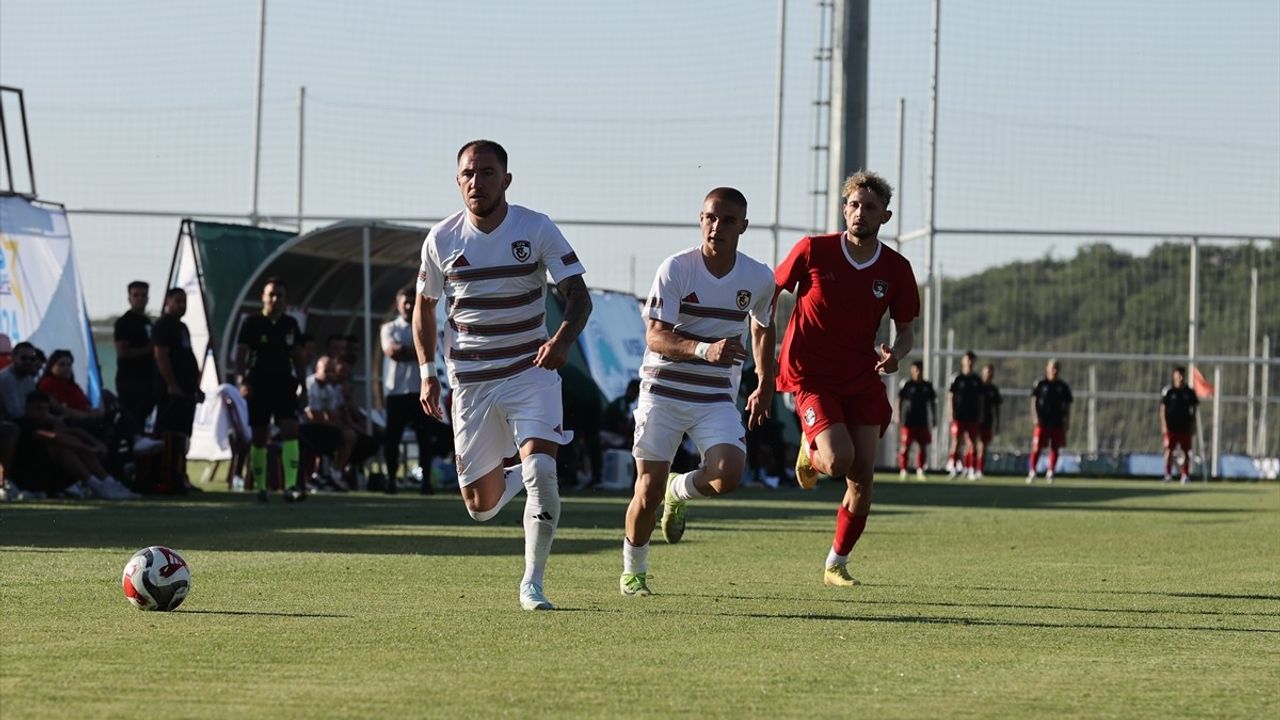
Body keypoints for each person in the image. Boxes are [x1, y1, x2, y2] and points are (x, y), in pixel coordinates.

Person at [413, 139, 592, 611]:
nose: (478, 182)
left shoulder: (535, 228)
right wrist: (427, 372)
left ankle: (532, 583)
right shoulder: (441, 239)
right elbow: (424, 306)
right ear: (458, 181)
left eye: (488, 172)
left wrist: (562, 342)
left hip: (529, 370)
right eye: (469, 173)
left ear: (506, 180)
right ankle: (516, 473)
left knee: (543, 472)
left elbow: (579, 296)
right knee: (481, 507)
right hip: (470, 382)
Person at [619, 187, 777, 598]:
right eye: (710, 217)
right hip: (664, 392)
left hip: (714, 398)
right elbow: (654, 337)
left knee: (729, 475)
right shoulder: (676, 269)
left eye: (727, 220)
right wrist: (706, 349)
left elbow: (762, 325)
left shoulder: (758, 277)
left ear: (743, 226)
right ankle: (634, 573)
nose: (717, 227)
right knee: (646, 491)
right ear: (700, 219)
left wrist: (764, 380)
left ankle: (680, 490)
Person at [775, 170, 919, 588]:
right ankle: (810, 450)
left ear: (885, 217)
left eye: (870, 207)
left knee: (862, 478)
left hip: (860, 376)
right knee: (837, 460)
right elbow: (772, 292)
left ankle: (836, 563)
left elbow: (906, 330)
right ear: (844, 209)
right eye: (854, 205)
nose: (860, 213)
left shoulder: (895, 269)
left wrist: (897, 354)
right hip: (811, 374)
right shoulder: (813, 250)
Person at [235, 277, 309, 502]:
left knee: (290, 430)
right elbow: (240, 356)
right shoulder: (252, 323)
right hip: (258, 384)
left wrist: (303, 386)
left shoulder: (290, 324)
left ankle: (290, 486)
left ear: (285, 300)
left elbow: (298, 356)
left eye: (280, 295)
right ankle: (261, 487)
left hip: (285, 384)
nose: (276, 299)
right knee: (259, 436)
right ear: (263, 297)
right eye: (272, 294)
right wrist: (242, 381)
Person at [381, 287, 445, 495]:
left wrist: (408, 351)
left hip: (420, 392)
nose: (408, 306)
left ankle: (426, 481)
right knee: (393, 439)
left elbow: (431, 350)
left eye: (411, 302)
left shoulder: (426, 325)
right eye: (404, 303)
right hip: (397, 392)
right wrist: (418, 351)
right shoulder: (389, 328)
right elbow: (392, 352)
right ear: (398, 305)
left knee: (424, 438)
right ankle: (391, 479)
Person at [152, 288, 203, 492]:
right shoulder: (163, 326)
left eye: (184, 301)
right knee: (170, 434)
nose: (182, 305)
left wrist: (195, 386)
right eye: (178, 301)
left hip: (187, 390)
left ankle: (180, 475)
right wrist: (172, 384)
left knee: (183, 434)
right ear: (167, 302)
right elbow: (161, 356)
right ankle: (166, 476)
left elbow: (187, 356)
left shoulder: (181, 327)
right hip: (171, 392)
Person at [303, 355, 356, 489]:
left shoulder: (329, 388)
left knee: (348, 435)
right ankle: (318, 474)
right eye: (326, 370)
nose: (329, 374)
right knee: (335, 435)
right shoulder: (309, 385)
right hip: (304, 426)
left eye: (332, 371)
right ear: (317, 369)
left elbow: (333, 414)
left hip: (321, 426)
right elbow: (312, 415)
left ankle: (334, 473)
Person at [114, 280, 156, 428]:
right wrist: (149, 349)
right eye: (136, 295)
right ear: (129, 298)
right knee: (132, 421)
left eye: (143, 295)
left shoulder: (147, 322)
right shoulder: (124, 323)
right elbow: (123, 352)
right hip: (130, 381)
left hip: (147, 380)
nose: (140, 299)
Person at [1028, 358, 1072, 484]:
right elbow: (1034, 401)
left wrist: (1067, 420)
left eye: (1057, 368)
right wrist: (1035, 417)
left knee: (1055, 448)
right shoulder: (1040, 384)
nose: (1054, 370)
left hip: (1057, 421)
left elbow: (1068, 405)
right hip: (1042, 422)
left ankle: (1051, 472)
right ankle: (1032, 471)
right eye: (1052, 367)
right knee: (1037, 447)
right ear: (1047, 368)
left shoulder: (1063, 387)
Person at [946, 350, 984, 481]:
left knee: (972, 443)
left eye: (972, 360)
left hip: (972, 416)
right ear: (963, 361)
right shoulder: (957, 378)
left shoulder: (977, 380)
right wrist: (950, 413)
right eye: (967, 359)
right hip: (958, 416)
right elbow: (951, 396)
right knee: (956, 441)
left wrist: (980, 414)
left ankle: (972, 469)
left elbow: (980, 399)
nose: (969, 362)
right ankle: (954, 466)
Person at [897, 360, 936, 481]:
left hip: (922, 421)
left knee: (922, 446)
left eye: (920, 369)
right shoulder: (907, 385)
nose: (918, 372)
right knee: (905, 446)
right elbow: (900, 400)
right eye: (916, 369)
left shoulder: (927, 386)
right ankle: (903, 470)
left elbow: (932, 402)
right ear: (912, 370)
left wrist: (934, 417)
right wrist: (898, 415)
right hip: (909, 421)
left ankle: (920, 469)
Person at [1160, 365, 1198, 484]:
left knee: (1185, 452)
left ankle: (1185, 475)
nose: (1180, 377)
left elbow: (1194, 410)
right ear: (1174, 376)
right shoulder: (1168, 391)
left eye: (1182, 375)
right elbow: (1162, 409)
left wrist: (1193, 425)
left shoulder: (1189, 392)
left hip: (1184, 427)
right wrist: (1164, 425)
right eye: (1178, 374)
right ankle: (1168, 474)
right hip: (1171, 427)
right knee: (1169, 450)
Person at [973, 363, 1002, 479]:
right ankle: (969, 468)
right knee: (972, 445)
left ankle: (979, 469)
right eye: (986, 371)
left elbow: (996, 408)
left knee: (982, 446)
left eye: (991, 372)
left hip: (987, 421)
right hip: (974, 420)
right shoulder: (977, 387)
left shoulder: (993, 390)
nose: (988, 374)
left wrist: (997, 423)